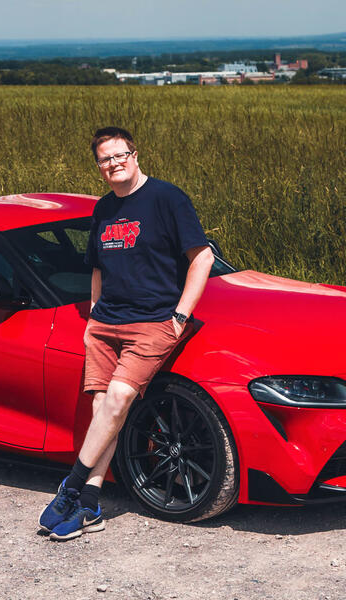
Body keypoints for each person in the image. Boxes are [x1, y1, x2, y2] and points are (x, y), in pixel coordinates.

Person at [39, 126, 214, 541]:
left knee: (118, 400)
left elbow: (202, 256)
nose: (114, 163)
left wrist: (180, 316)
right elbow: (97, 266)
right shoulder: (102, 210)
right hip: (104, 325)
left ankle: (71, 487)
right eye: (105, 159)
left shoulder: (168, 199)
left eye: (120, 155)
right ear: (99, 167)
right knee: (106, 414)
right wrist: (93, 316)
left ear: (135, 155)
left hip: (153, 323)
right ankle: (90, 506)